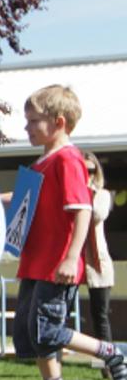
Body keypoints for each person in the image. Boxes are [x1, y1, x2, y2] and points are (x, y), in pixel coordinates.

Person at [11, 85, 126, 380]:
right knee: (31, 332)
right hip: (35, 261)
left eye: (34, 121)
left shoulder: (68, 160)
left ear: (58, 122)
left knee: (47, 330)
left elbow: (82, 210)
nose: (27, 127)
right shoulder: (41, 164)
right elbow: (23, 200)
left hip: (56, 263)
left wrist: (71, 258)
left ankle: (112, 353)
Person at [84, 152, 116, 358]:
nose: (87, 174)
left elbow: (97, 214)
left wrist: (85, 193)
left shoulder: (101, 194)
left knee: (100, 316)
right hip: (75, 262)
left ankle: (110, 363)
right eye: (83, 170)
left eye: (90, 170)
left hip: (97, 264)